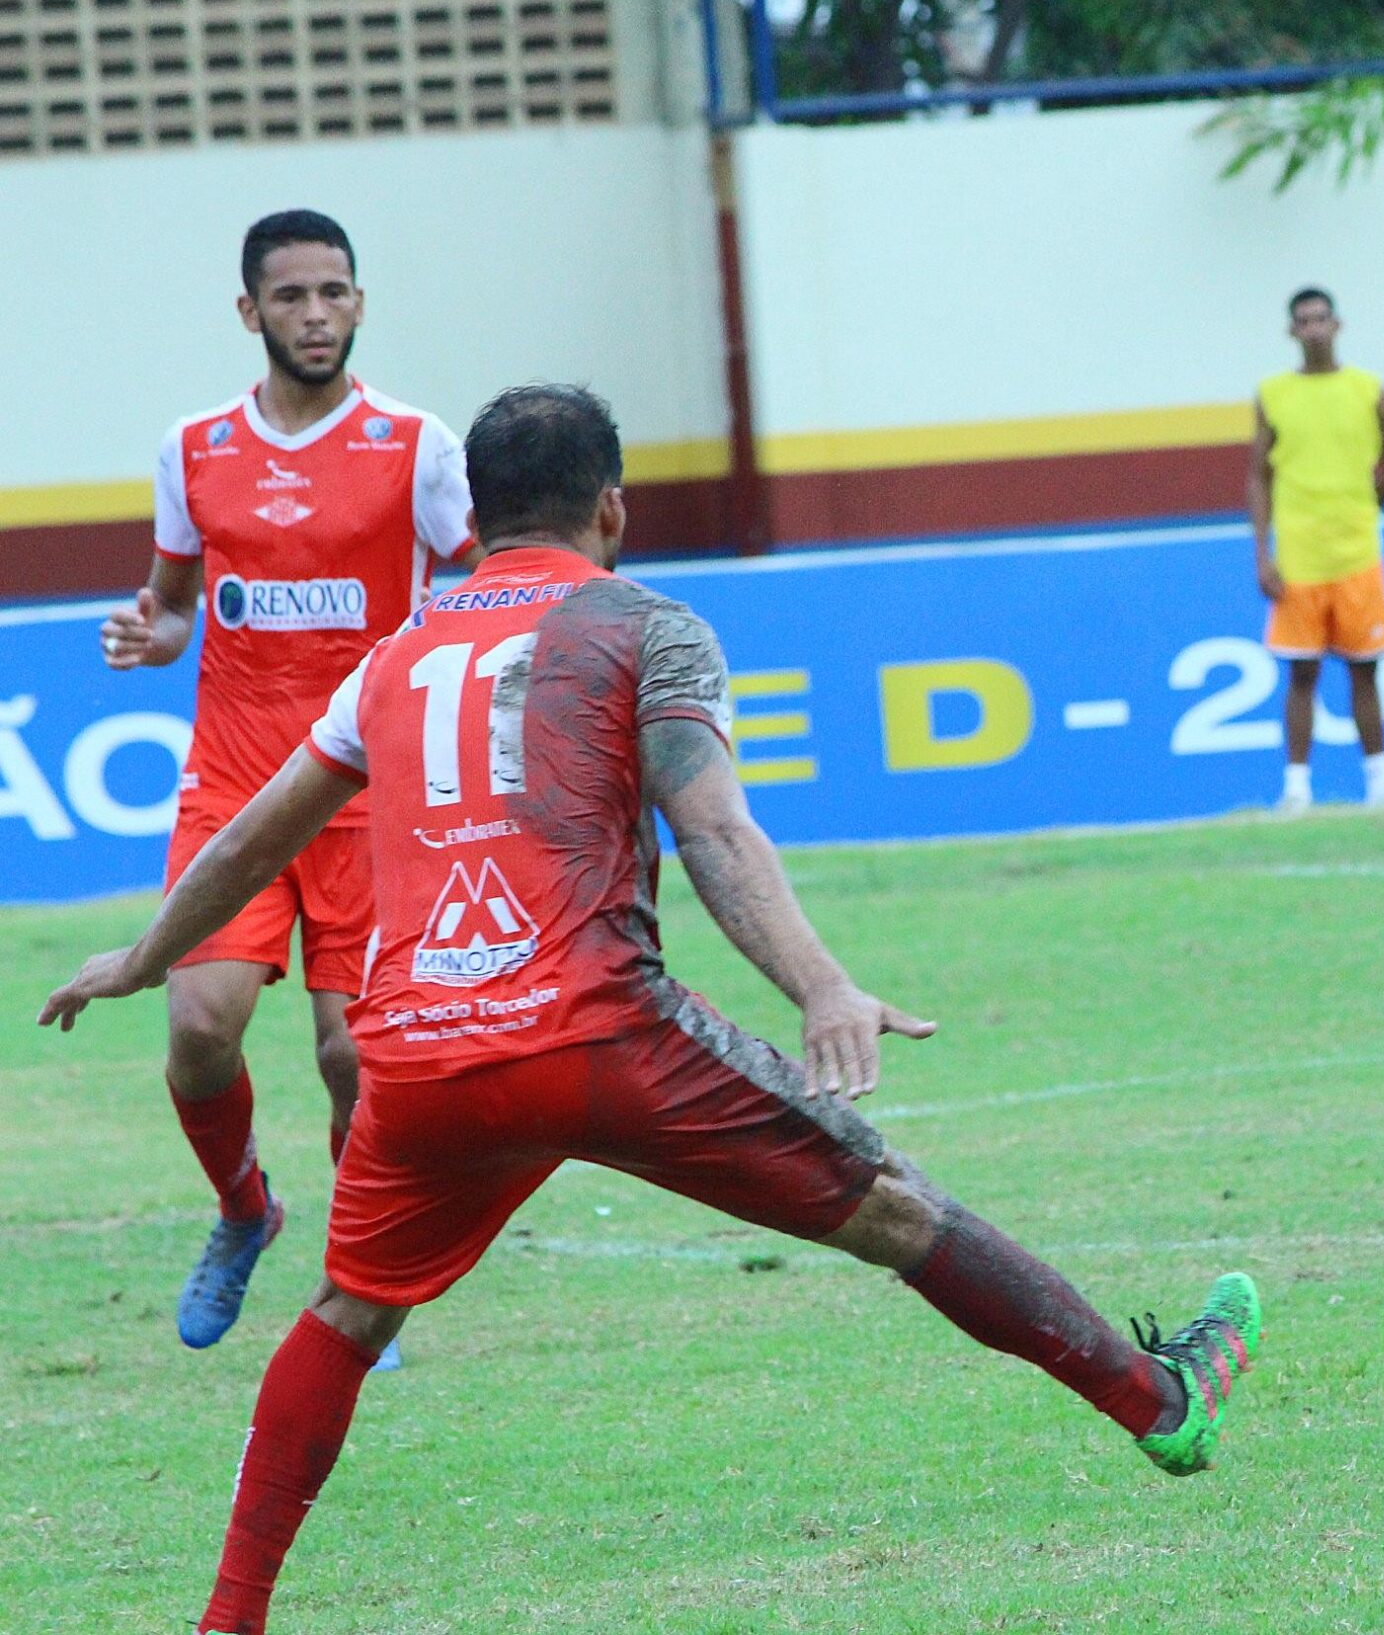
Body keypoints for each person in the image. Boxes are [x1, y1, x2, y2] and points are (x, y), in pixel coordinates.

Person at [43, 383, 1261, 1635]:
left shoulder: (392, 658)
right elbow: (715, 824)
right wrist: (820, 984)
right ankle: (1159, 1402)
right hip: (599, 1034)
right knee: (896, 1210)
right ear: (611, 508)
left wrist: (144, 957)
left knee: (351, 1313)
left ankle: (227, 1619)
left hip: (422, 1060)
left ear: (477, 519)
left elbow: (249, 843)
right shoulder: (646, 626)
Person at [103, 208, 479, 1360]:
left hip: (369, 793)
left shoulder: (418, 445)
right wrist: (151, 633)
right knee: (200, 1030)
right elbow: (173, 602)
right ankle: (244, 1211)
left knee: (354, 1054)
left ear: (359, 303)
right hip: (233, 787)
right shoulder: (194, 448)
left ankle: (363, 1271)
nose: (315, 315)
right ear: (250, 311)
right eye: (292, 297)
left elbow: (482, 582)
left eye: (334, 293)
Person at [1248, 286, 1384, 813]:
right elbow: (1259, 476)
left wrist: (1366, 506)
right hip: (1299, 558)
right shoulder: (1273, 394)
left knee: (1365, 670)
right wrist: (1262, 553)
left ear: (1338, 325)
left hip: (1356, 556)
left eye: (1322, 318)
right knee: (1302, 674)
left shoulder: (1367, 390)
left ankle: (1380, 783)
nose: (1315, 329)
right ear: (1291, 332)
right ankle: (1296, 789)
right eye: (1304, 321)